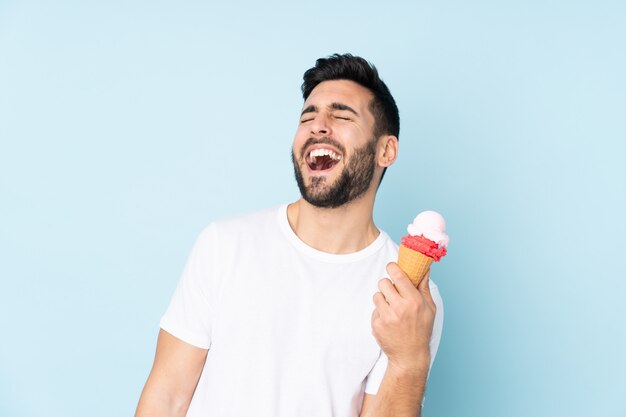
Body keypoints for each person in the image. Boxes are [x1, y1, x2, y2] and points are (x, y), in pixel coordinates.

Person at [135, 53, 444, 417]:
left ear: (386, 150)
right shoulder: (225, 245)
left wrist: (409, 360)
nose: (318, 126)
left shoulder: (409, 297)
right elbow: (166, 397)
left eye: (342, 115)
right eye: (307, 116)